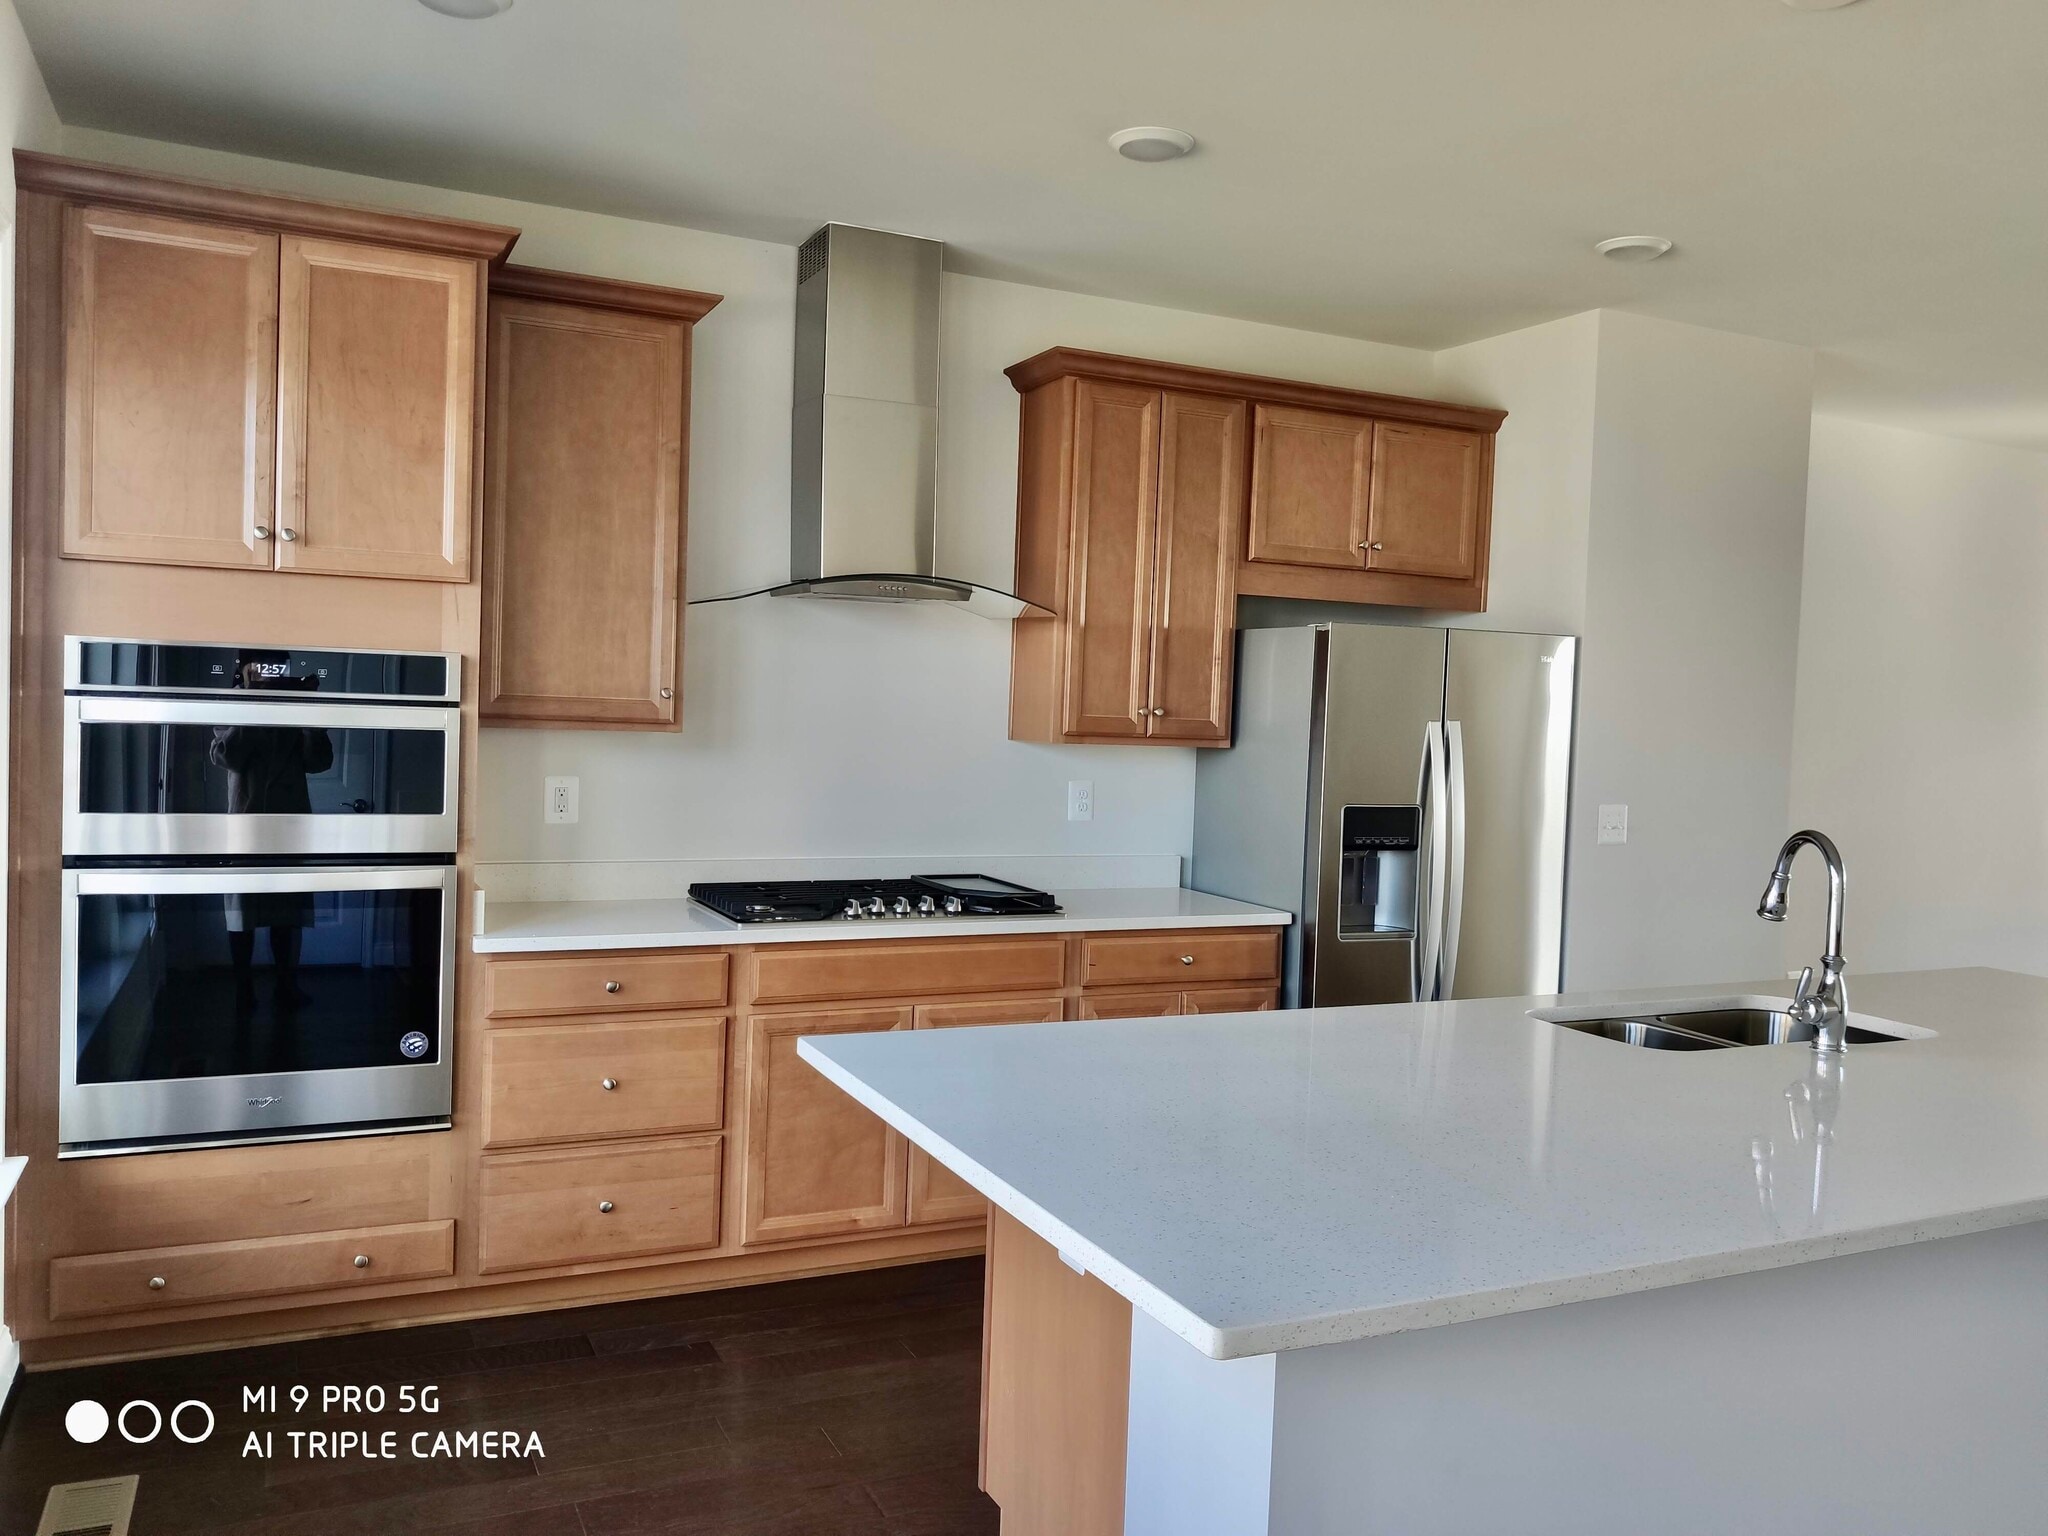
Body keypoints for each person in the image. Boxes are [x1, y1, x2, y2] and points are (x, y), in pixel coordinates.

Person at [210, 653, 334, 1009]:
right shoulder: (231, 704)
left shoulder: (295, 704)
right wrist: (251, 703)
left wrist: (308, 711)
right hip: (245, 826)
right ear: (244, 670)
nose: (270, 674)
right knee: (242, 912)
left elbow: (319, 761)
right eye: (262, 667)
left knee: (288, 910)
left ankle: (286, 986)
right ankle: (243, 990)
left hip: (290, 825)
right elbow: (226, 756)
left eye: (277, 668)